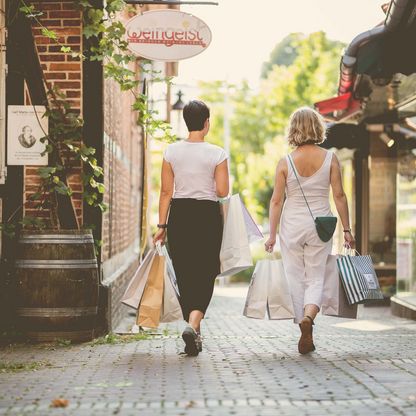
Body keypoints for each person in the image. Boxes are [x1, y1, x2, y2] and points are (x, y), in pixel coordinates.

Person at [265, 107, 355, 355]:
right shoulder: (330, 158)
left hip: (292, 225)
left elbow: (276, 201)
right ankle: (309, 319)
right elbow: (339, 195)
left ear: (293, 129)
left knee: (295, 277)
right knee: (317, 277)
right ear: (318, 128)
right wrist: (347, 229)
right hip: (321, 225)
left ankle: (304, 324)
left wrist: (271, 235)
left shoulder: (285, 162)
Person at [153, 100, 229, 356]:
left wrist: (161, 226)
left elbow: (165, 192)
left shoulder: (171, 152)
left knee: (185, 273)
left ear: (186, 122)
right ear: (206, 123)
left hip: (180, 215)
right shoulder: (217, 153)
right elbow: (222, 191)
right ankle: (193, 323)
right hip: (206, 215)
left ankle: (192, 330)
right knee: (206, 271)